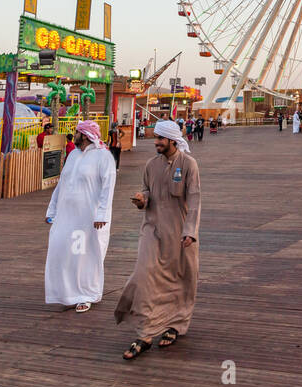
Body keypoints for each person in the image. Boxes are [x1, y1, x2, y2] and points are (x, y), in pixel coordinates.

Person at [115, 120, 200, 360]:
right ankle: (145, 332)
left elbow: (194, 200)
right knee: (144, 275)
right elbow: (148, 190)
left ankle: (176, 324)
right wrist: (142, 198)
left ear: (173, 140)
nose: (156, 142)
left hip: (180, 232)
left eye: (160, 139)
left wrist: (190, 231)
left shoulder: (188, 165)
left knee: (180, 278)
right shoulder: (151, 165)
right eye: (155, 138)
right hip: (152, 230)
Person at [44, 120, 116, 313]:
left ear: (84, 135)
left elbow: (108, 189)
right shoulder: (73, 155)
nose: (73, 134)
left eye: (76, 132)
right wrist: (51, 210)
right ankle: (69, 294)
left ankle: (86, 295)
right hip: (66, 217)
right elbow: (62, 184)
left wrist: (101, 214)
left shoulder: (104, 157)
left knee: (84, 255)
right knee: (61, 251)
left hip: (89, 219)